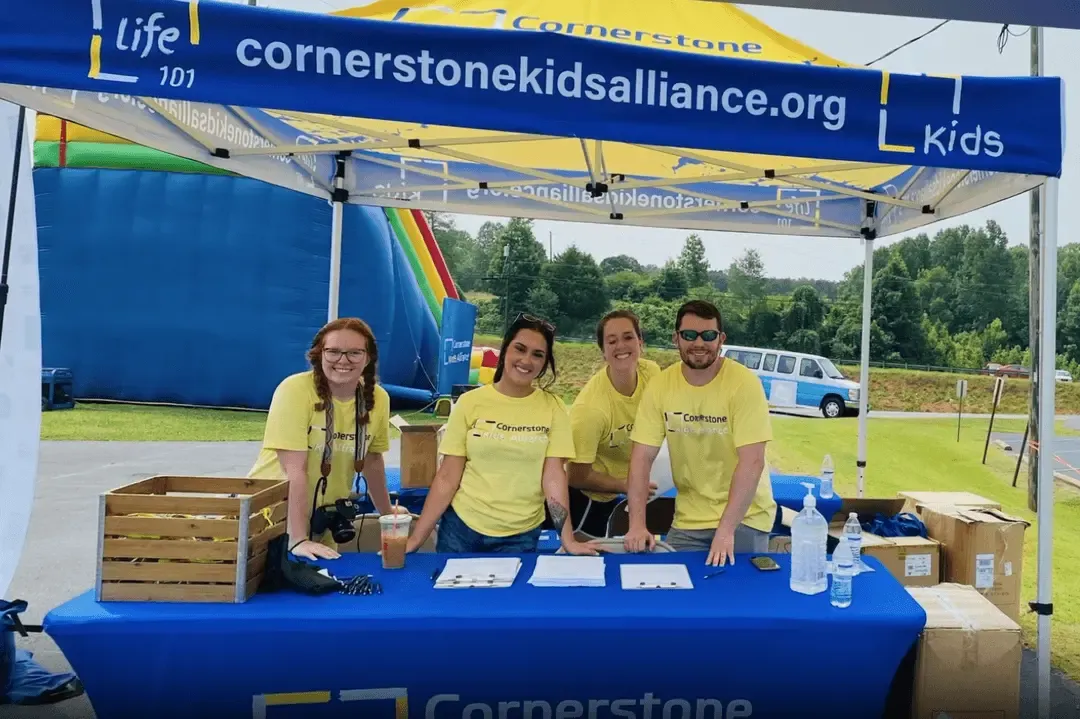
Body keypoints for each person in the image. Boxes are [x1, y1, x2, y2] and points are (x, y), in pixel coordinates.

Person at [407, 313, 600, 556]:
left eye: (537, 354)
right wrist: (416, 538)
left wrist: (568, 540)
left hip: (520, 536)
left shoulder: (554, 407)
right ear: (505, 350)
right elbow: (447, 476)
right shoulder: (469, 403)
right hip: (461, 530)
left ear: (544, 363)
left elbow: (553, 478)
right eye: (520, 349)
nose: (526, 360)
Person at [623, 300, 777, 566]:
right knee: (674, 598)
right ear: (676, 338)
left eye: (708, 335)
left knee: (740, 602)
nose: (699, 343)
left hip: (746, 518)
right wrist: (637, 525)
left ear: (721, 339)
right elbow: (641, 458)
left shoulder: (744, 384)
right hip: (689, 521)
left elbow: (752, 461)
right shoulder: (661, 386)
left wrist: (726, 530)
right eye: (689, 335)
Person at [249, 317, 404, 561]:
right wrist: (298, 537)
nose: (343, 360)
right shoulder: (295, 390)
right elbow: (294, 470)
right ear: (318, 354)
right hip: (274, 517)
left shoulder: (378, 399)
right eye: (333, 351)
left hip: (326, 519)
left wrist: (386, 515)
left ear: (368, 357)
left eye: (354, 352)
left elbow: (373, 460)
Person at [565, 310, 661, 538]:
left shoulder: (652, 373)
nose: (621, 346)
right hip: (590, 501)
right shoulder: (590, 410)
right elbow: (575, 476)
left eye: (628, 337)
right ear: (603, 352)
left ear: (640, 342)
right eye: (612, 341)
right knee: (593, 560)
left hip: (631, 488)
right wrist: (626, 485)